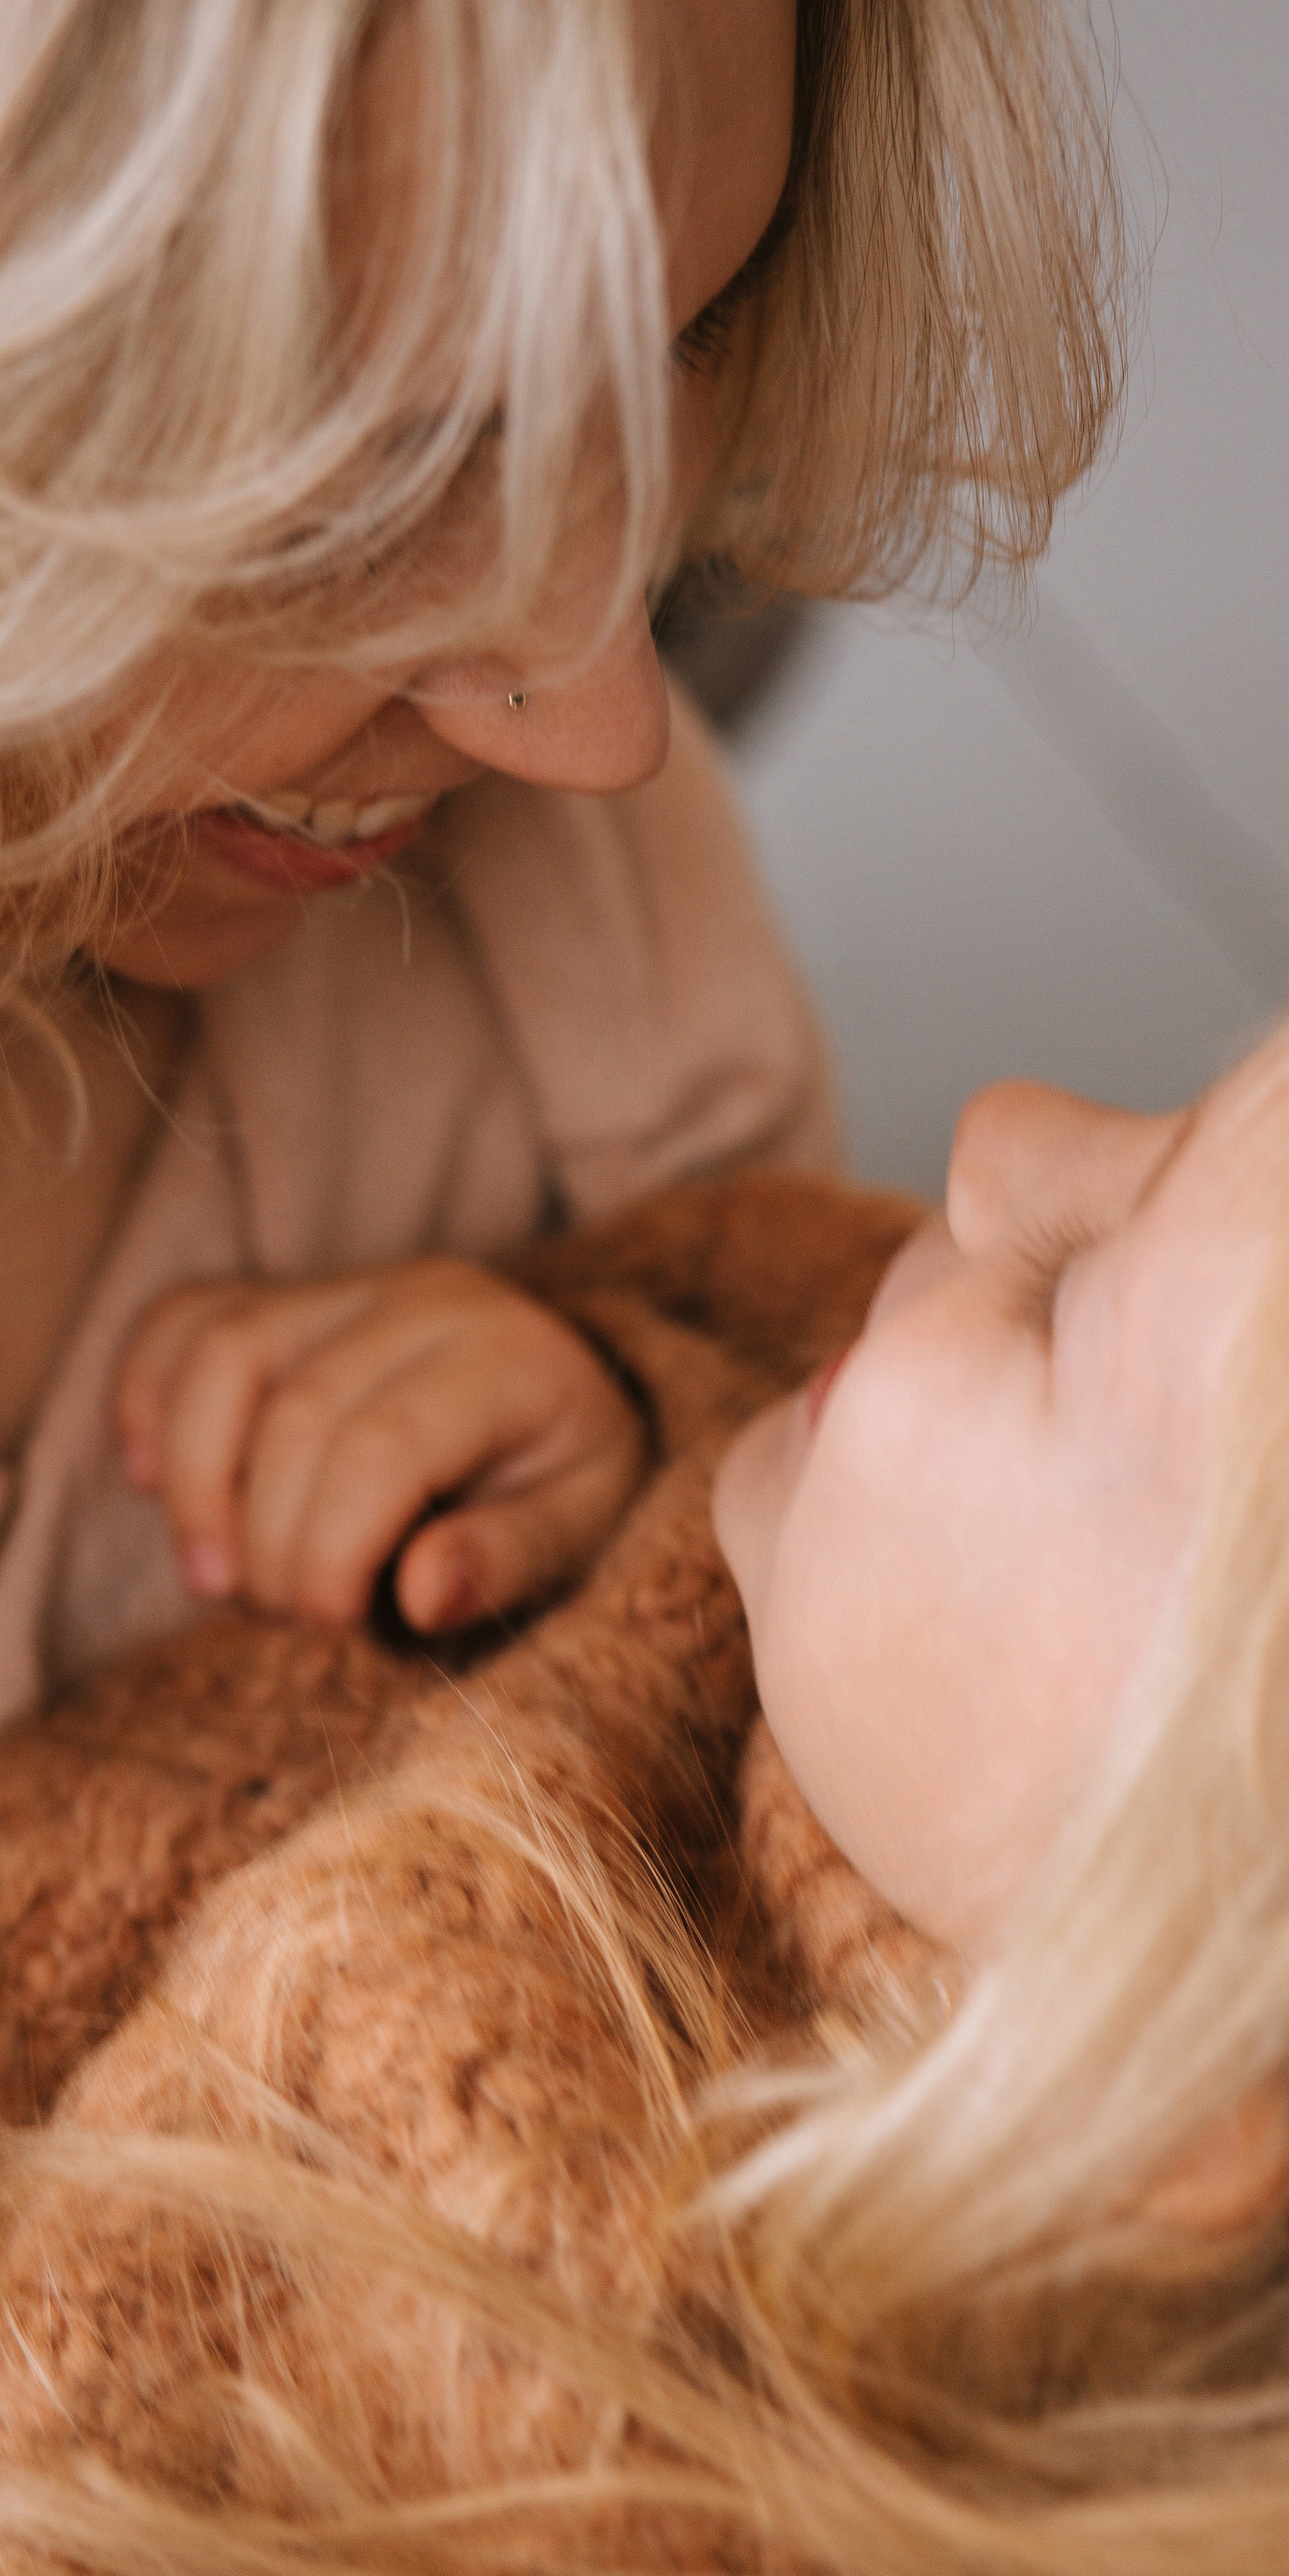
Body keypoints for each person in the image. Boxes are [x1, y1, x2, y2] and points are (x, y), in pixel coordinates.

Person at [5, 873, 1289, 2573]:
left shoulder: (572, 2424)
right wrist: (606, 1429)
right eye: (1166, 1118)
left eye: (1068, 1302)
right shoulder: (890, 1646)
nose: (997, 1136)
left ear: (1144, 2074)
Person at [0, 0, 1122, 1720]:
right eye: (392, 461)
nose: (602, 731)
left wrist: (640, 1452)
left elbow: (772, 1347)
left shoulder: (598, 980)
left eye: (697, 327)